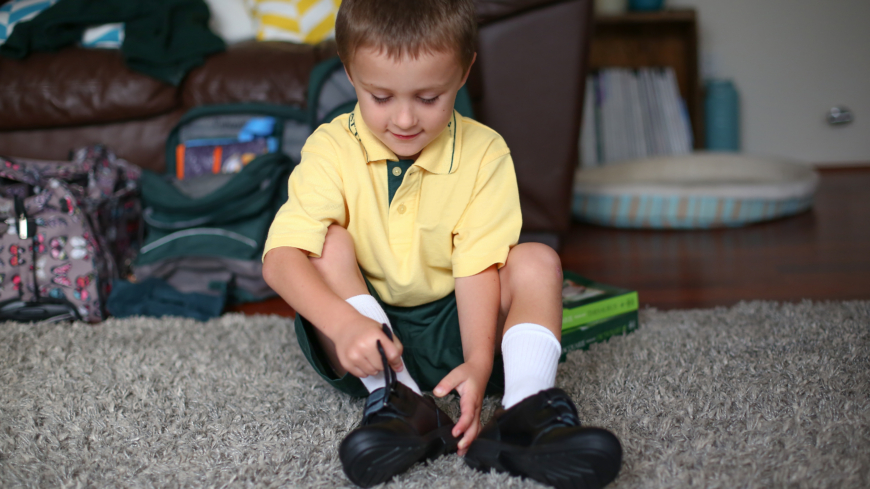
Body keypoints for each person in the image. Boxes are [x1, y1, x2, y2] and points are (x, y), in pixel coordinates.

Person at [262, 0, 622, 487]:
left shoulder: (484, 152)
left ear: (463, 71)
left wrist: (478, 363)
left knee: (538, 260)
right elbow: (280, 259)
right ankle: (400, 401)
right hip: (367, 340)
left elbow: (477, 268)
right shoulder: (330, 147)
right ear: (350, 72)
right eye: (380, 97)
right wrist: (344, 325)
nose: (404, 119)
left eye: (429, 98)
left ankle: (524, 414)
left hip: (463, 326)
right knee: (326, 243)